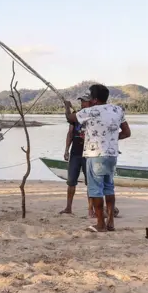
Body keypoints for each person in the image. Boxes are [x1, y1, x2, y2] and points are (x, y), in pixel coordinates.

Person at [64, 84, 131, 232]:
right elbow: (127, 133)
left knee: (95, 190)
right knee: (109, 188)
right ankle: (111, 222)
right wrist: (110, 139)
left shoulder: (90, 111)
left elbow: (70, 118)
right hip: (112, 155)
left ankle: (100, 224)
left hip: (95, 155)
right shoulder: (117, 110)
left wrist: (67, 106)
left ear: (94, 99)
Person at [59, 95, 92, 216]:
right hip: (75, 153)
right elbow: (70, 133)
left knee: (90, 183)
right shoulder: (76, 115)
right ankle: (68, 207)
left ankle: (91, 209)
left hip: (89, 154)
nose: (82, 103)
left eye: (85, 102)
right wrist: (67, 150)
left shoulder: (93, 115)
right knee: (71, 181)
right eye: (81, 101)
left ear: (91, 102)